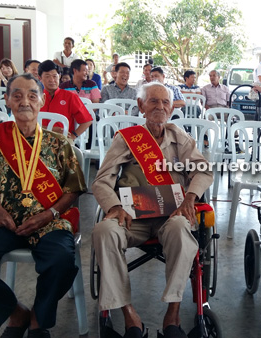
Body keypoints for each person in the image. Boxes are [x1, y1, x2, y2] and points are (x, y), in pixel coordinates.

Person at [0, 73, 86, 338]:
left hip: (50, 221)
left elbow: (73, 189)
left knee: (62, 261)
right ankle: (16, 313)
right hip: (5, 221)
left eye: (32, 95)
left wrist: (50, 214)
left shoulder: (59, 142)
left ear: (41, 101)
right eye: (17, 95)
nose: (25, 101)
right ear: (7, 100)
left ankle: (38, 319)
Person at [92, 81, 213, 338]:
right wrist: (113, 206)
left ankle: (173, 313)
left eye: (165, 102)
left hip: (170, 216)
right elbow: (102, 180)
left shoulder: (180, 138)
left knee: (182, 228)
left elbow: (203, 170)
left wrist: (190, 197)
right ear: (141, 106)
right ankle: (129, 316)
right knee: (104, 231)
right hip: (131, 216)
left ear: (171, 108)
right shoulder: (127, 139)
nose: (160, 107)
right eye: (153, 101)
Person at [38, 60, 92, 141]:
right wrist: (51, 129)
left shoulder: (70, 96)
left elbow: (87, 120)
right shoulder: (35, 97)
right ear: (40, 78)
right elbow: (27, 125)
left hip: (62, 141)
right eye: (47, 76)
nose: (52, 80)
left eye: (54, 76)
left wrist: (73, 136)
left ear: (59, 76)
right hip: (38, 140)